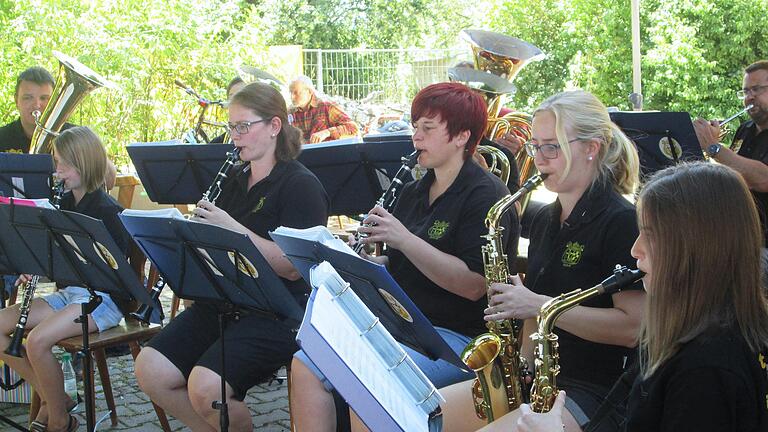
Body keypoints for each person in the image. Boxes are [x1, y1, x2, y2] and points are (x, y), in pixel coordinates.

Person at [290, 81, 519, 431]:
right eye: (415, 127)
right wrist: (367, 267)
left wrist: (404, 239)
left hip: (455, 339)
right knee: (306, 362)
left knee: (367, 381)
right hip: (404, 327)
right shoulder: (414, 191)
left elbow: (475, 285)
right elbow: (401, 265)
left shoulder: (487, 196)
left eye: (428, 128)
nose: (416, 137)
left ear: (461, 137)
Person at [438, 89, 644, 432]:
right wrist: (520, 362)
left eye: (552, 146)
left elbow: (633, 329)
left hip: (595, 392)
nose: (540, 158)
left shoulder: (620, 220)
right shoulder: (548, 218)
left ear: (591, 148)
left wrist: (538, 305)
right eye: (535, 146)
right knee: (423, 414)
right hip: (538, 382)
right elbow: (533, 311)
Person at [134, 82, 329, 432]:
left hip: (280, 312)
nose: (234, 136)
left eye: (243, 126)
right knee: (151, 368)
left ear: (274, 127)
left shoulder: (301, 185)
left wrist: (232, 228)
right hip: (226, 300)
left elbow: (292, 268)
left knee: (207, 389)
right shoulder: (232, 180)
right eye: (231, 127)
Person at [516, 162, 768, 432]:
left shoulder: (705, 370)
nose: (635, 250)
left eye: (650, 235)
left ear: (695, 247)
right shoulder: (704, 334)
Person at [0, 126, 131, 432]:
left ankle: (59, 418)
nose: (57, 170)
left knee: (37, 341)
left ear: (85, 163)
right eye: (56, 162)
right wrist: (32, 262)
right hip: (70, 294)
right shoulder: (64, 203)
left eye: (64, 164)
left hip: (101, 300)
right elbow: (58, 260)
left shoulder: (109, 212)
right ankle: (55, 395)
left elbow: (112, 275)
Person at [693, 60, 768, 245]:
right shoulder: (745, 129)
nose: (749, 97)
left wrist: (714, 148)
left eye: (756, 89)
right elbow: (734, 175)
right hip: (741, 235)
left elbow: (763, 179)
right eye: (746, 91)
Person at [288, 75, 359, 144]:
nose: (292, 97)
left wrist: (327, 132)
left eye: (296, 92)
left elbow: (353, 128)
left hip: (327, 154)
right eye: (290, 92)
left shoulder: (327, 107)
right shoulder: (289, 113)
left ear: (310, 92)